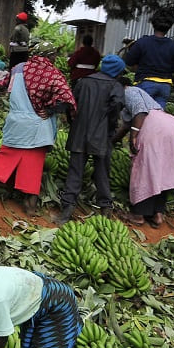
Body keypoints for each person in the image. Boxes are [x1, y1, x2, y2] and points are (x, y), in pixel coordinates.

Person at [0, 42, 75, 214]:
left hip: (16, 121)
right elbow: (66, 98)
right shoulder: (51, 73)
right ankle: (29, 207)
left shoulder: (18, 69)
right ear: (49, 55)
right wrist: (50, 110)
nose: (56, 58)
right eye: (54, 55)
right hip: (38, 125)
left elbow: (6, 87)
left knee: (5, 158)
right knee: (33, 165)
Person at [55, 53, 126, 224]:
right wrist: (110, 124)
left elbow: (70, 103)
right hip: (101, 135)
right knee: (102, 172)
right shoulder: (114, 86)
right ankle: (105, 207)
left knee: (75, 171)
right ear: (116, 71)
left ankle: (67, 209)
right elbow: (117, 105)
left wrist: (74, 122)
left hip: (79, 133)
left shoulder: (83, 82)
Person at [114, 81, 174, 226]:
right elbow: (126, 125)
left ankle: (138, 215)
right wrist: (111, 142)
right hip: (170, 126)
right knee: (162, 170)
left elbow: (140, 112)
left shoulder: (128, 91)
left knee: (145, 169)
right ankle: (158, 214)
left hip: (154, 127)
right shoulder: (138, 95)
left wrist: (134, 137)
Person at [124, 18, 174, 107]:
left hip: (145, 83)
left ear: (153, 25)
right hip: (165, 86)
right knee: (157, 117)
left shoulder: (143, 42)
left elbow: (129, 61)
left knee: (142, 115)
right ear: (169, 28)